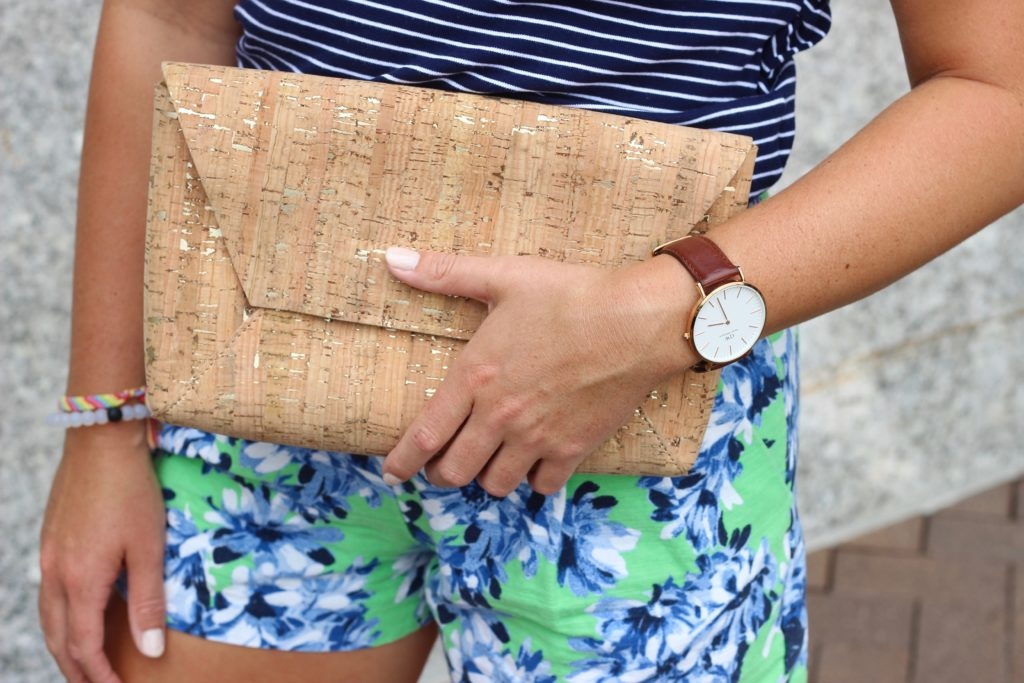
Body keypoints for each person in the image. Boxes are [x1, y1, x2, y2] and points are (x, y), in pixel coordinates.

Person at [38, 1, 1024, 682]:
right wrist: (104, 420)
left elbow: (999, 86)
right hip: (256, 389)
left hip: (649, 419)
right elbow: (169, 17)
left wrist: (657, 313)